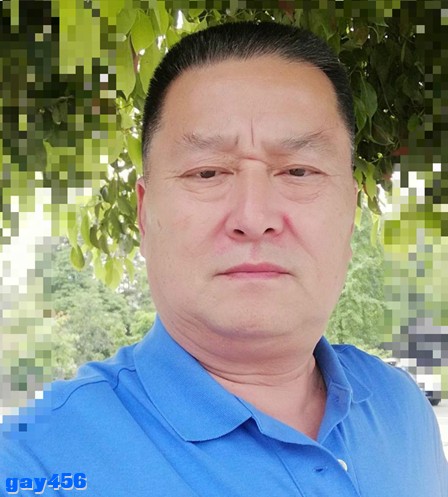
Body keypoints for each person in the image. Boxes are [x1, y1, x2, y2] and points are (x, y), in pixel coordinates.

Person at [1, 21, 447, 497]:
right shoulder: (34, 463)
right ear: (145, 215)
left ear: (350, 215)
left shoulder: (402, 410)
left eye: (299, 171)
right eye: (207, 172)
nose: (254, 218)